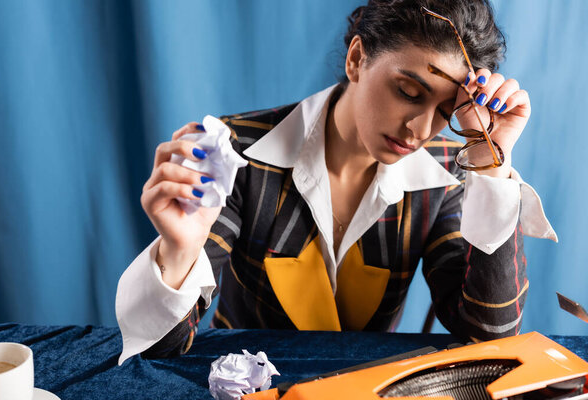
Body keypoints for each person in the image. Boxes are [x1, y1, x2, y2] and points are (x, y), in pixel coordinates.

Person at [115, 0, 557, 365]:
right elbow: (158, 351)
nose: (421, 130)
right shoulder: (238, 153)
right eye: (408, 91)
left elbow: (488, 331)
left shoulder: (446, 173)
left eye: (445, 111)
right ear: (357, 59)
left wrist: (490, 162)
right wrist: (178, 252)